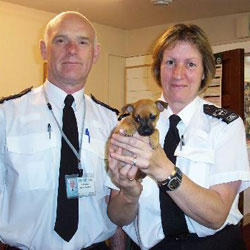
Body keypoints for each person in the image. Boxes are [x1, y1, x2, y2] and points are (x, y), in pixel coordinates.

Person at [106, 23, 250, 250]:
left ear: (204, 72)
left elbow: (216, 216)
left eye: (190, 64)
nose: (178, 74)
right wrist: (130, 193)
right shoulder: (128, 128)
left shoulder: (226, 126)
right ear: (158, 69)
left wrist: (162, 168)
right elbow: (117, 217)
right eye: (170, 62)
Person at [0, 11, 125, 250]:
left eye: (82, 41)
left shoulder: (112, 122)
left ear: (95, 53)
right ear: (44, 50)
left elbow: (115, 201)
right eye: (60, 40)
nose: (71, 49)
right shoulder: (6, 115)